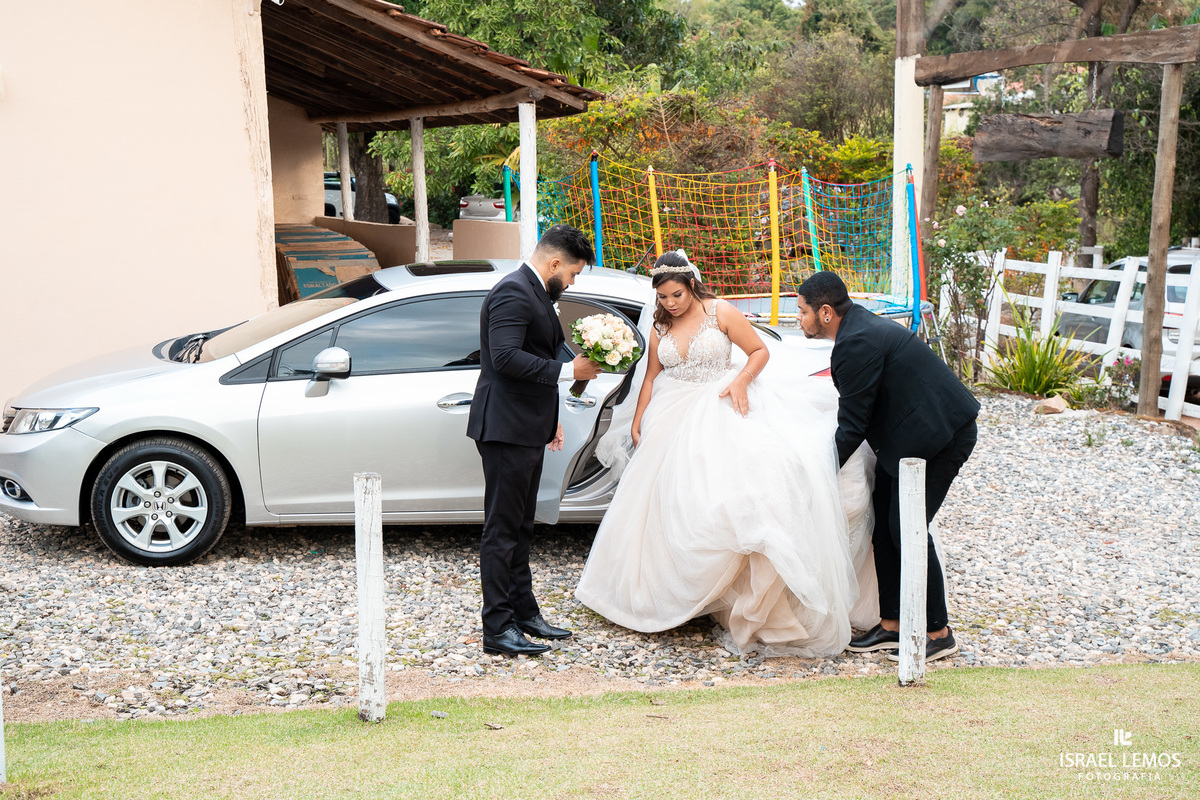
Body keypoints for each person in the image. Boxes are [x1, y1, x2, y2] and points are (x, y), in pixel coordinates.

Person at [575, 252, 878, 657]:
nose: (670, 303)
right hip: (670, 416)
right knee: (664, 507)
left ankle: (740, 602)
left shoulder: (721, 311)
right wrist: (639, 419)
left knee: (734, 499)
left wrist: (740, 381)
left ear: (692, 284)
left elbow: (758, 352)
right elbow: (651, 376)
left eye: (676, 294)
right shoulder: (659, 326)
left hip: (720, 407)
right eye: (663, 297)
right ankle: (662, 595)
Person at [795, 271, 979, 662]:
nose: (799, 317)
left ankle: (938, 632)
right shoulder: (855, 329)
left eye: (802, 310)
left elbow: (852, 425)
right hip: (906, 440)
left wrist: (819, 475)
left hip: (942, 436)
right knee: (884, 527)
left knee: (908, 528)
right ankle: (892, 624)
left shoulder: (855, 342)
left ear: (825, 312)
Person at [467, 225, 603, 657]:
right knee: (502, 530)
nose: (574, 282)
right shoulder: (514, 291)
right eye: (575, 274)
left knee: (521, 528)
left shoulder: (537, 291)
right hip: (505, 429)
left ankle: (525, 613)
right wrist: (570, 373)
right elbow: (505, 357)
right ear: (555, 263)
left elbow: (539, 356)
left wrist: (552, 420)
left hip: (526, 425)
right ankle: (497, 628)